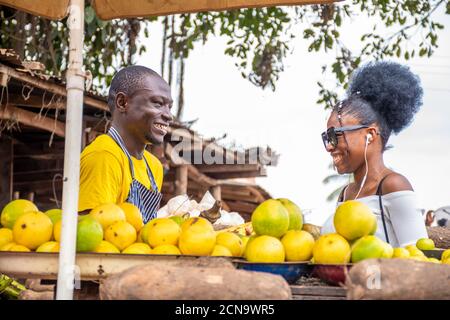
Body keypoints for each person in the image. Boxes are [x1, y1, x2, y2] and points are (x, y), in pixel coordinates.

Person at [320, 61, 428, 247]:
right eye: (327, 137)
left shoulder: (393, 185)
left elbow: (419, 258)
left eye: (335, 135)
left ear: (370, 134)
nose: (330, 147)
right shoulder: (346, 193)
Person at [78, 66, 173, 223]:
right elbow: (91, 234)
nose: (168, 115)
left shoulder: (154, 166)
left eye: (169, 107)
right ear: (122, 103)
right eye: (157, 103)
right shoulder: (104, 157)